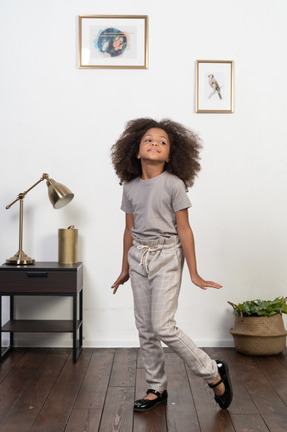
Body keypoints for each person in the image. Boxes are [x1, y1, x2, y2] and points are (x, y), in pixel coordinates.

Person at [111, 118, 233, 412]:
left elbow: (184, 229)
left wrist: (193, 271)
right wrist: (125, 268)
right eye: (148, 140)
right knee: (146, 328)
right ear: (136, 151)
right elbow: (129, 228)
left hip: (166, 256)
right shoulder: (129, 187)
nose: (154, 143)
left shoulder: (174, 184)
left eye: (162, 142)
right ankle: (156, 387)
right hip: (137, 258)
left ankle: (211, 370)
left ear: (170, 156)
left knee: (163, 326)